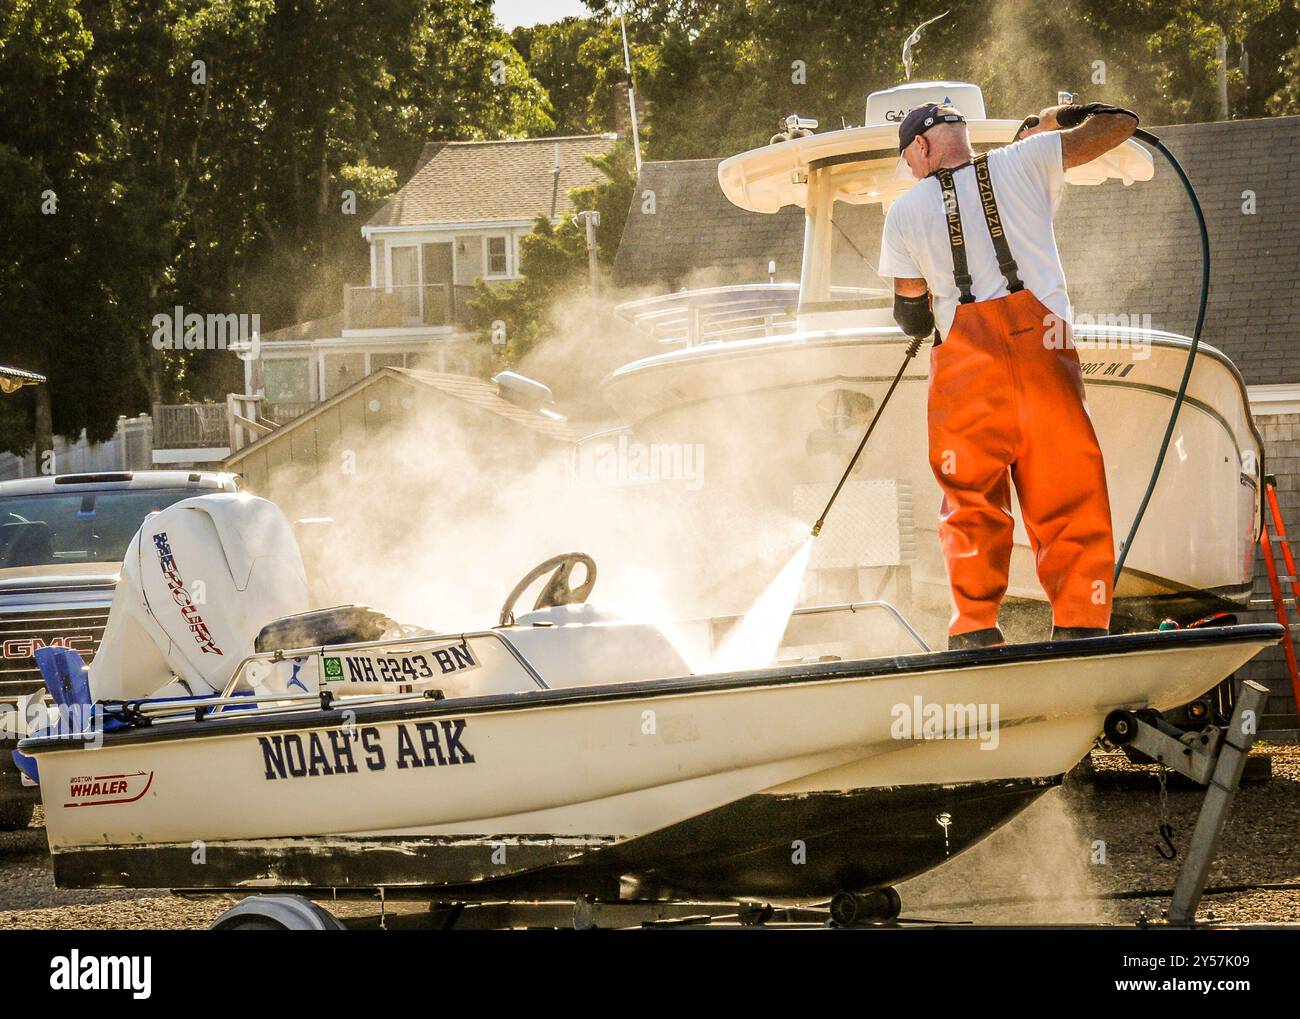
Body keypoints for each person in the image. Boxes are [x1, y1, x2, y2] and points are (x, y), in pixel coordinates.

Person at [878, 100, 1138, 649]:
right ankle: (1079, 628)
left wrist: (933, 300)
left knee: (971, 503)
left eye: (910, 160)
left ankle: (973, 633)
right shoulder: (1026, 159)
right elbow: (1119, 124)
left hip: (967, 377)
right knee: (1069, 493)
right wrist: (1061, 116)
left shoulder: (903, 213)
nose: (912, 172)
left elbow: (909, 313)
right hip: (1045, 356)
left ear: (921, 147)